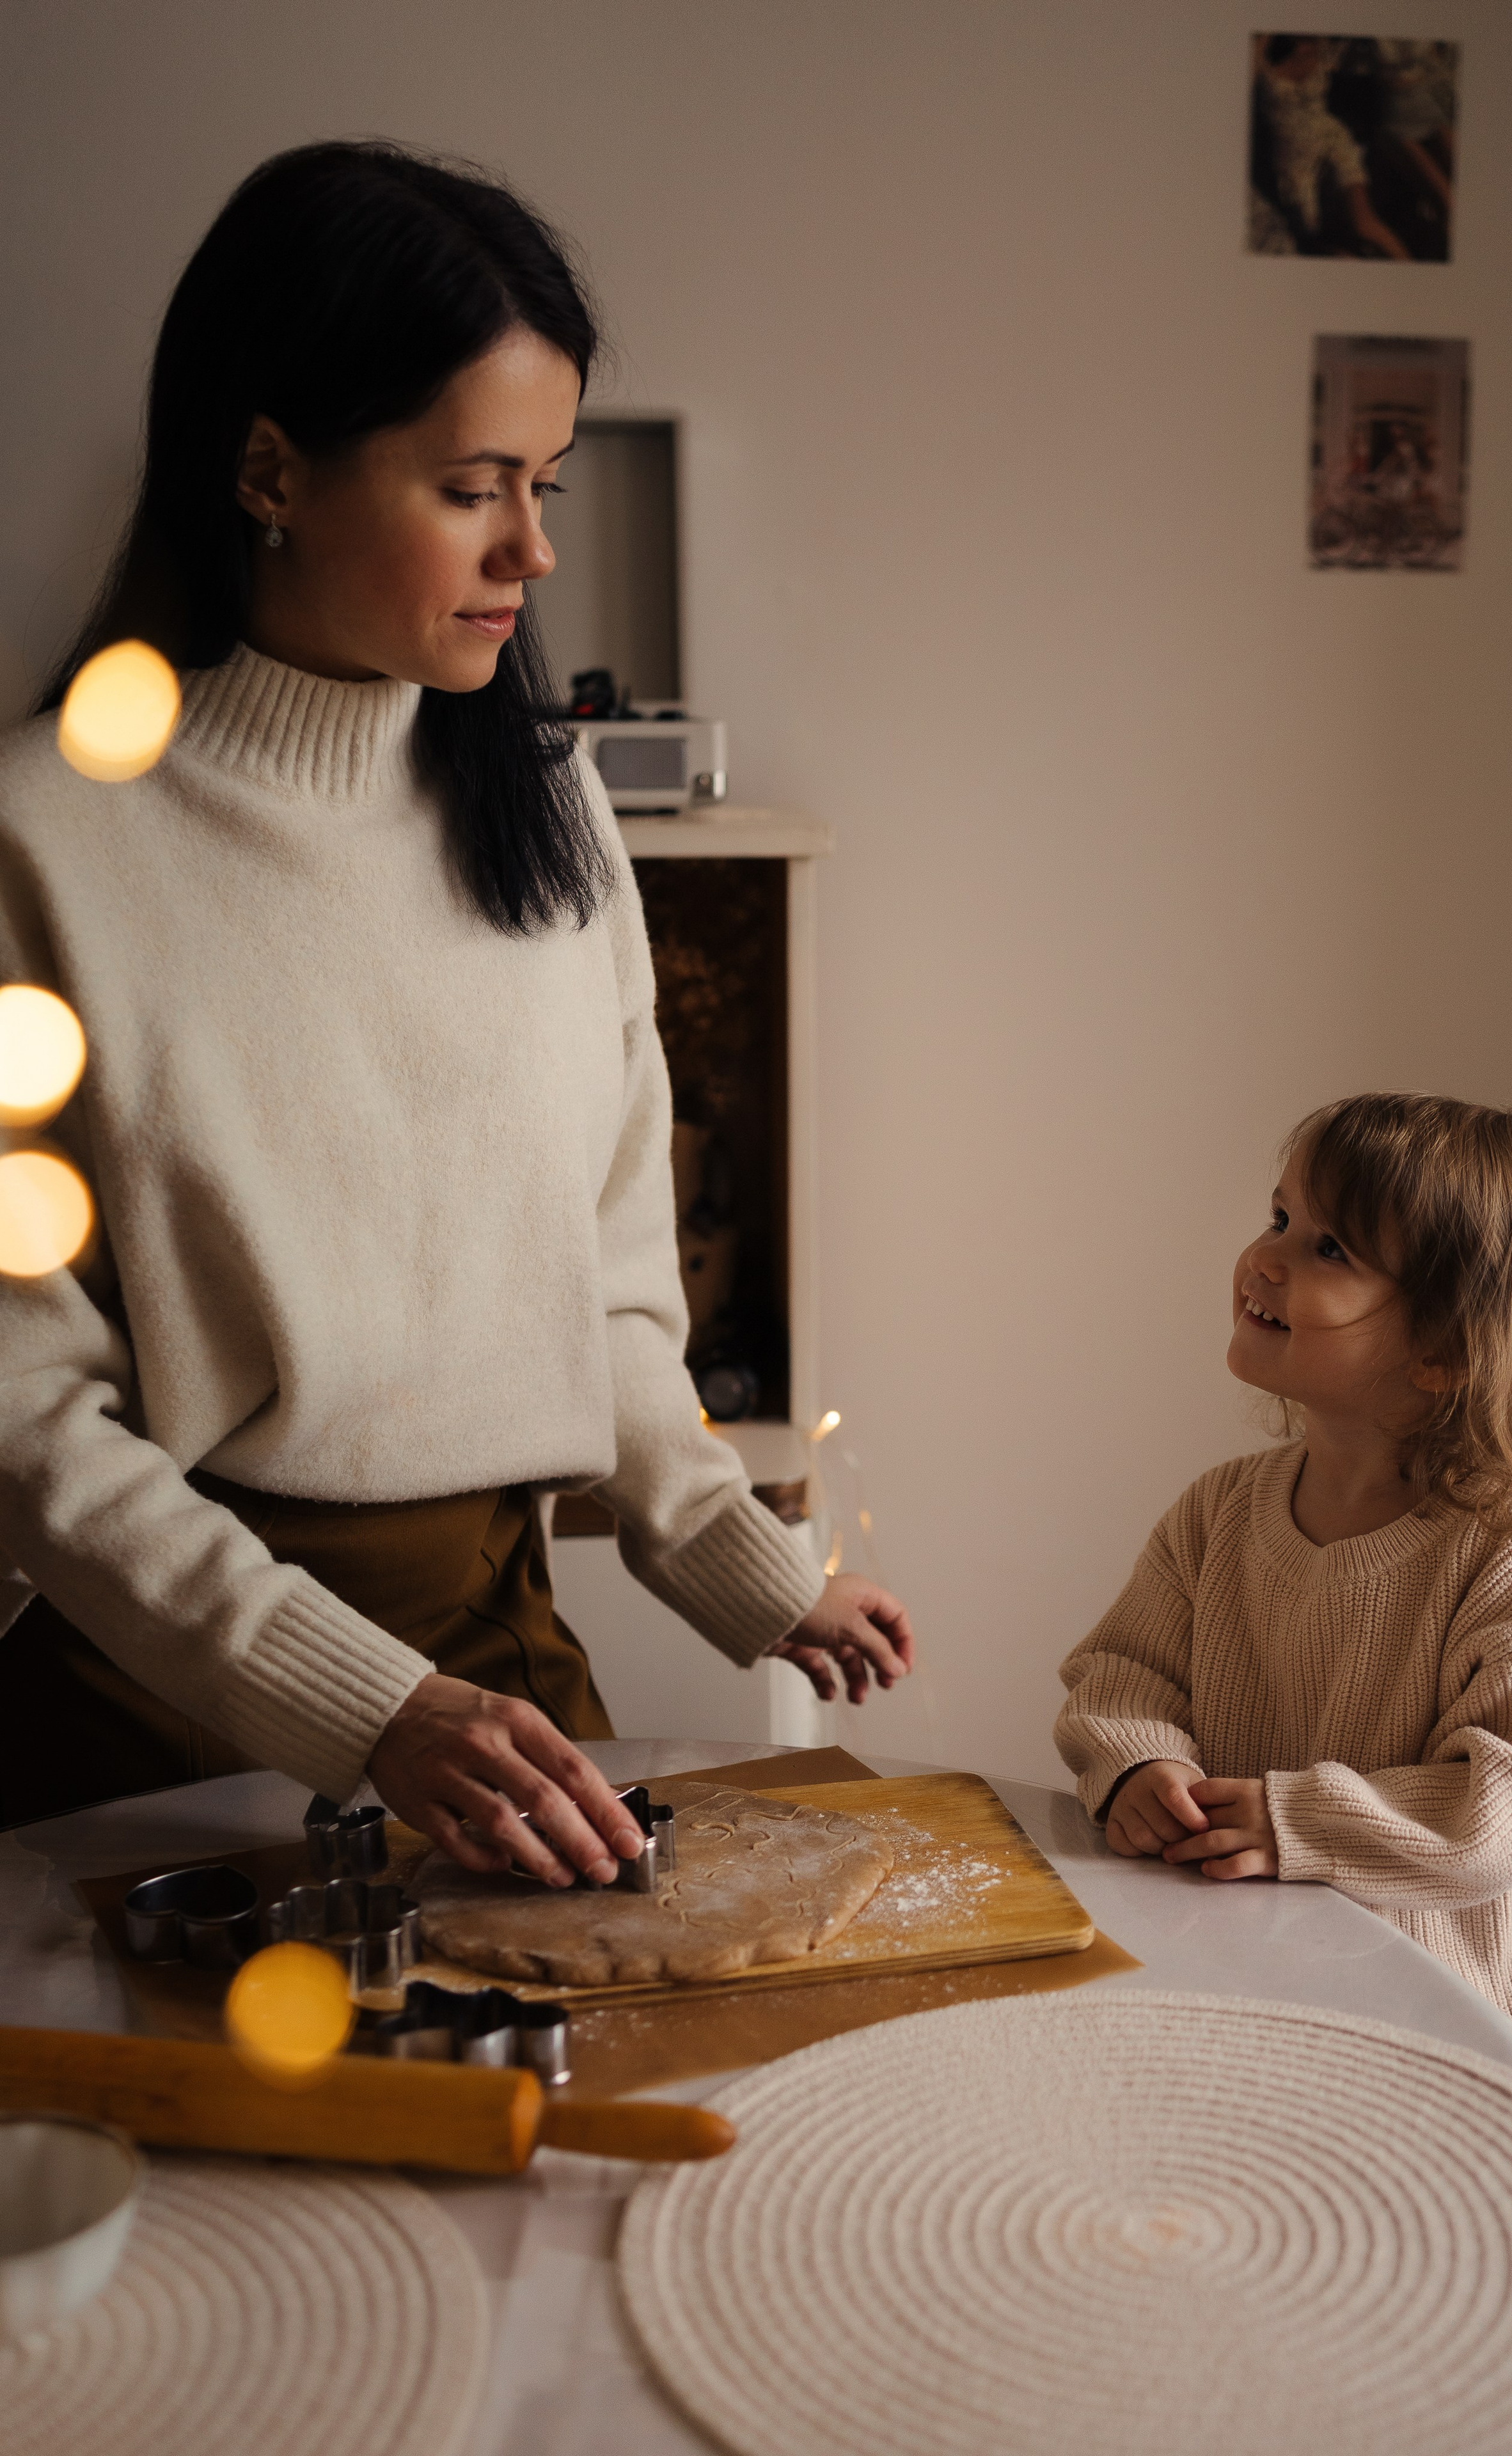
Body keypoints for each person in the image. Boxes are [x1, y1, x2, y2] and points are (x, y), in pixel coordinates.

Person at [0, 141, 913, 1876]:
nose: (534, 548)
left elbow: (610, 1289)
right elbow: (23, 1416)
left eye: (545, 484)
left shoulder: (549, 808)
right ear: (269, 470)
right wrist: (367, 1707)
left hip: (496, 1669)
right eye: (474, 486)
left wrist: (742, 1562)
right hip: (156, 1695)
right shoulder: (43, 841)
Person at [1055, 1094, 1512, 2130]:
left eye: (1329, 1249)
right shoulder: (1220, 1511)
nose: (1266, 1259)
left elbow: (1501, 1807)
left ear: (1443, 1350)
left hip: (1467, 2022)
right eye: (1279, 1217)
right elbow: (1124, 1672)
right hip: (1267, 1967)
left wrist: (1298, 1824)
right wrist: (1140, 1763)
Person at [1252, 36, 1410, 260]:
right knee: (1310, 237)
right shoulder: (1263, 58)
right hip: (1295, 160)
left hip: (1333, 139)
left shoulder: (1320, 48)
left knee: (1365, 223)